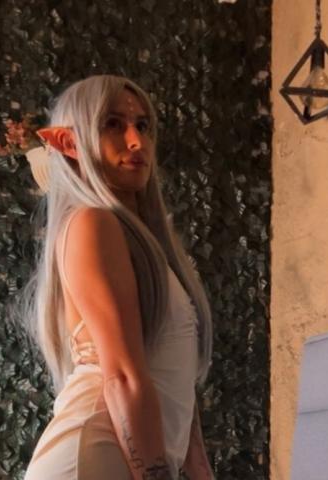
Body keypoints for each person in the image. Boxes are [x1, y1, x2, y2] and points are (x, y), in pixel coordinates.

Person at [19, 75, 215, 480]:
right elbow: (122, 377)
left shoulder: (145, 245)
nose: (136, 141)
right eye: (112, 124)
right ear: (68, 143)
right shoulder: (92, 223)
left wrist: (199, 470)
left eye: (142, 125)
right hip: (96, 456)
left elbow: (174, 374)